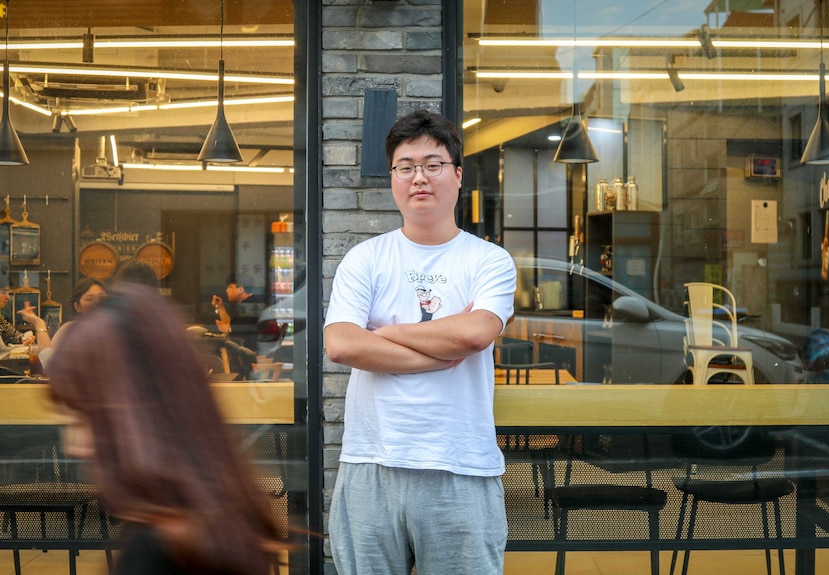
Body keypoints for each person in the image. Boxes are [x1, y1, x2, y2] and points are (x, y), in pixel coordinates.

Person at [323, 109, 516, 575]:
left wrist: (386, 334)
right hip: (371, 464)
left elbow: (473, 333)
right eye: (406, 166)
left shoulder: (489, 260)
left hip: (461, 467)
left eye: (432, 164)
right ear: (393, 177)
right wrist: (436, 353)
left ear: (457, 174)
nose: (418, 178)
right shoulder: (364, 258)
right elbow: (342, 345)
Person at [46, 284, 283, 575]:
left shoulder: (159, 547)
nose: (74, 445)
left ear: (135, 414)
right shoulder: (215, 523)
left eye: (83, 419)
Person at [18, 277, 107, 369]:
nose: (97, 303)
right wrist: (39, 323)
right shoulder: (69, 329)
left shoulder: (115, 332)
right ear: (77, 307)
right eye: (90, 299)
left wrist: (38, 323)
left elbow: (51, 366)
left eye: (102, 298)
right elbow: (50, 362)